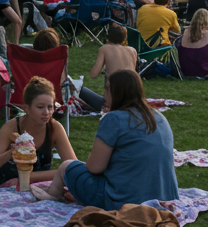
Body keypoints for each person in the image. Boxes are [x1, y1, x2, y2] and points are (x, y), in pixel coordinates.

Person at [32, 70, 179, 209]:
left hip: (124, 200)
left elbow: (95, 167)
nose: (104, 94)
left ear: (116, 92)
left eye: (107, 89)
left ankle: (53, 196)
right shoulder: (158, 117)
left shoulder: (114, 119)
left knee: (66, 167)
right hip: (164, 197)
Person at [0, 76, 77, 185]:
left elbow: (73, 168)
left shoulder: (54, 128)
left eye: (50, 107)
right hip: (4, 180)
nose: (46, 112)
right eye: (40, 107)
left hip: (31, 182)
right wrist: (11, 152)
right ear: (26, 108)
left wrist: (26, 178)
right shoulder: (12, 127)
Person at [34, 29, 105, 112]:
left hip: (36, 95)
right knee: (102, 103)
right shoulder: (57, 59)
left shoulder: (29, 61)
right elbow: (62, 82)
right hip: (59, 95)